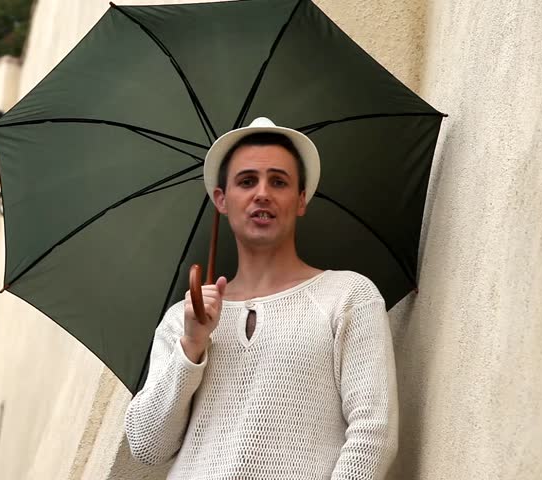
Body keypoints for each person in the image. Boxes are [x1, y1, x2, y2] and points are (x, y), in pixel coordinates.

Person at [125, 117, 398, 479]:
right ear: (221, 199)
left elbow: (373, 433)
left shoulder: (347, 296)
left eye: (279, 181)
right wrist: (192, 345)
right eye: (247, 181)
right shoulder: (184, 318)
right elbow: (146, 446)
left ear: (301, 199)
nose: (262, 193)